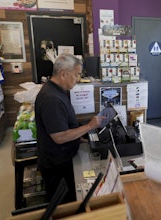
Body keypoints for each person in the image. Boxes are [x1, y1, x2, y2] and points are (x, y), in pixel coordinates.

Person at [35, 53, 102, 204]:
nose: (78, 79)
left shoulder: (57, 91)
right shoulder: (52, 99)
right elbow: (59, 136)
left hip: (62, 160)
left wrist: (81, 135)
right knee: (63, 206)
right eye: (76, 75)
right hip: (56, 166)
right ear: (63, 74)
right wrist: (89, 126)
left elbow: (64, 123)